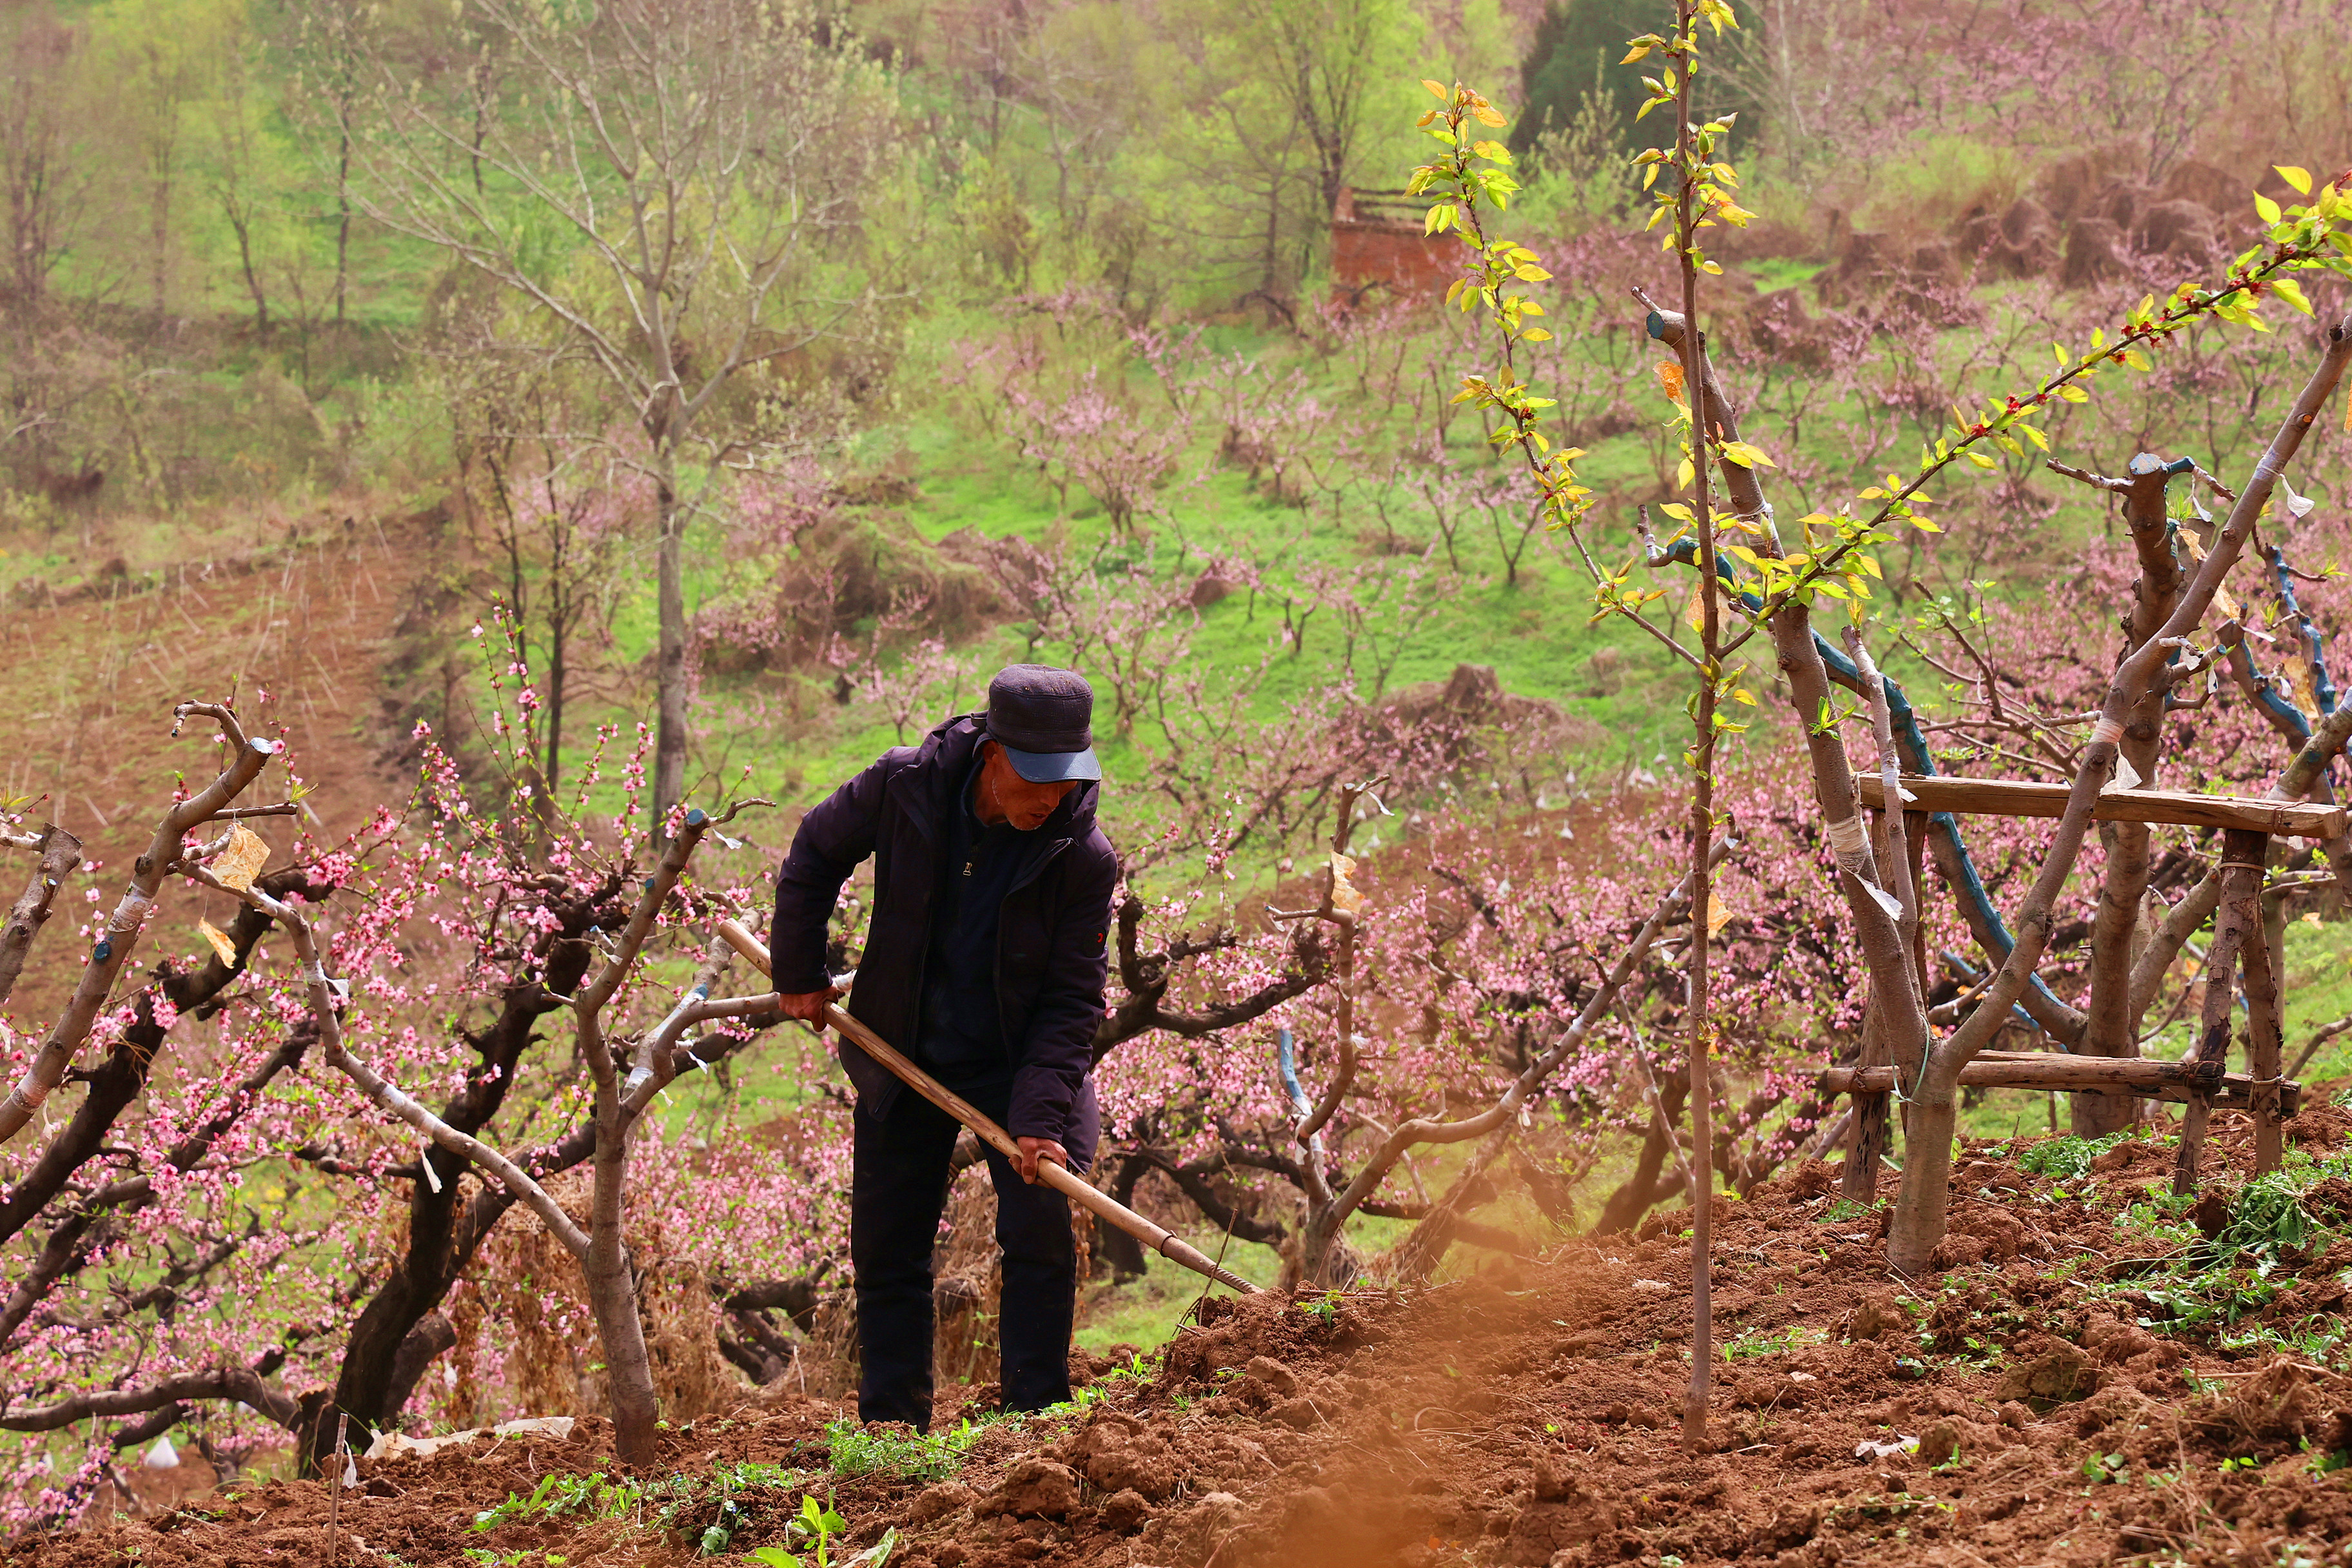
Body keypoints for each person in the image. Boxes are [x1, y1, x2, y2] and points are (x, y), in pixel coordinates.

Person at [769, 664, 1115, 1429]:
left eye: (1065, 782)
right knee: (889, 1245)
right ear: (992, 754)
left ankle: (1035, 1421)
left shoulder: (1083, 856)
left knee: (1041, 1231)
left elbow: (1070, 1002)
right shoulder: (906, 785)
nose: (1049, 798)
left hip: (1020, 1060)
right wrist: (799, 969)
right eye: (1035, 780)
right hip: (905, 1043)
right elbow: (817, 851)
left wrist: (1039, 1119)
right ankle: (893, 1430)